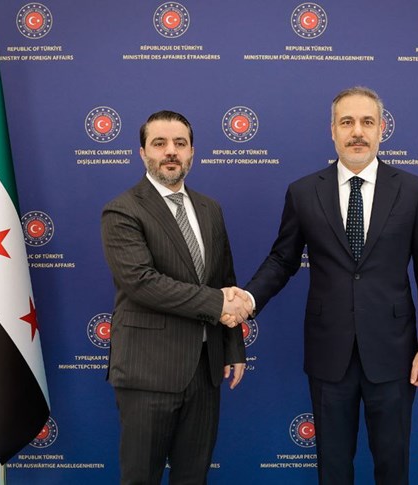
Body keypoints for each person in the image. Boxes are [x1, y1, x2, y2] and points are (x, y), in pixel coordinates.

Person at [242, 87, 418, 484]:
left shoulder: (414, 191)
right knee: (333, 468)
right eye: (347, 122)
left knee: (393, 465)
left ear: (382, 129)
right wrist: (248, 298)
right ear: (332, 130)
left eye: (367, 122)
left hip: (394, 353)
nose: (357, 132)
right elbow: (282, 260)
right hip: (328, 353)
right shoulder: (303, 192)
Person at [101, 110, 250, 484]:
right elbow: (142, 283)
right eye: (160, 143)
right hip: (147, 371)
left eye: (180, 144)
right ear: (142, 153)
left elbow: (225, 279)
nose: (171, 151)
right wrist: (218, 304)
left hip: (205, 370)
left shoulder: (210, 209)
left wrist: (233, 348)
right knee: (141, 478)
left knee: (193, 478)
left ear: (192, 152)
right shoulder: (122, 210)